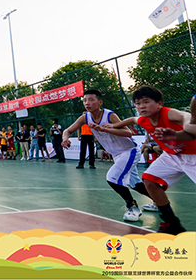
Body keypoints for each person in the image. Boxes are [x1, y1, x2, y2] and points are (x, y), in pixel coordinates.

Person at [105, 88, 195, 235]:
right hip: (172, 156)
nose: (141, 106)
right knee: (149, 181)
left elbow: (185, 115)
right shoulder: (143, 120)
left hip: (193, 155)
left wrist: (185, 126)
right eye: (137, 103)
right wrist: (115, 125)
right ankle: (172, 223)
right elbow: (132, 120)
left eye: (146, 102)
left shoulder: (168, 113)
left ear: (159, 103)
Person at [62, 89, 155, 222]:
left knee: (112, 177)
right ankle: (158, 201)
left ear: (100, 102)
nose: (87, 103)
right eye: (85, 100)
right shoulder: (85, 117)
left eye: (91, 100)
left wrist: (105, 129)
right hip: (117, 154)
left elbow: (128, 133)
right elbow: (68, 130)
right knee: (134, 183)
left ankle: (132, 207)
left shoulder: (109, 115)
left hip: (129, 151)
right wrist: (65, 139)